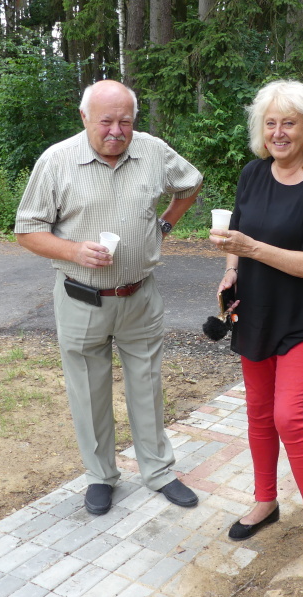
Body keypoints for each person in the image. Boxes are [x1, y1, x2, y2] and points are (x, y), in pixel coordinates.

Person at [14, 80, 203, 516]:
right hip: (81, 299)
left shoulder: (153, 151)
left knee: (147, 385)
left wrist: (165, 224)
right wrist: (73, 251)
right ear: (84, 118)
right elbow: (27, 230)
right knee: (88, 391)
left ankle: (158, 471)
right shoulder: (57, 161)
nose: (117, 131)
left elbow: (190, 184)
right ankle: (100, 476)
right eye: (106, 121)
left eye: (125, 122)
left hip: (140, 295)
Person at [208, 80, 303, 594]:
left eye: (289, 122)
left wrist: (253, 249)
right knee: (259, 414)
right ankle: (265, 500)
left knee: (290, 417)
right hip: (256, 314)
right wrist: (231, 269)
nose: (279, 132)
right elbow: (236, 236)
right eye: (270, 123)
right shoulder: (252, 174)